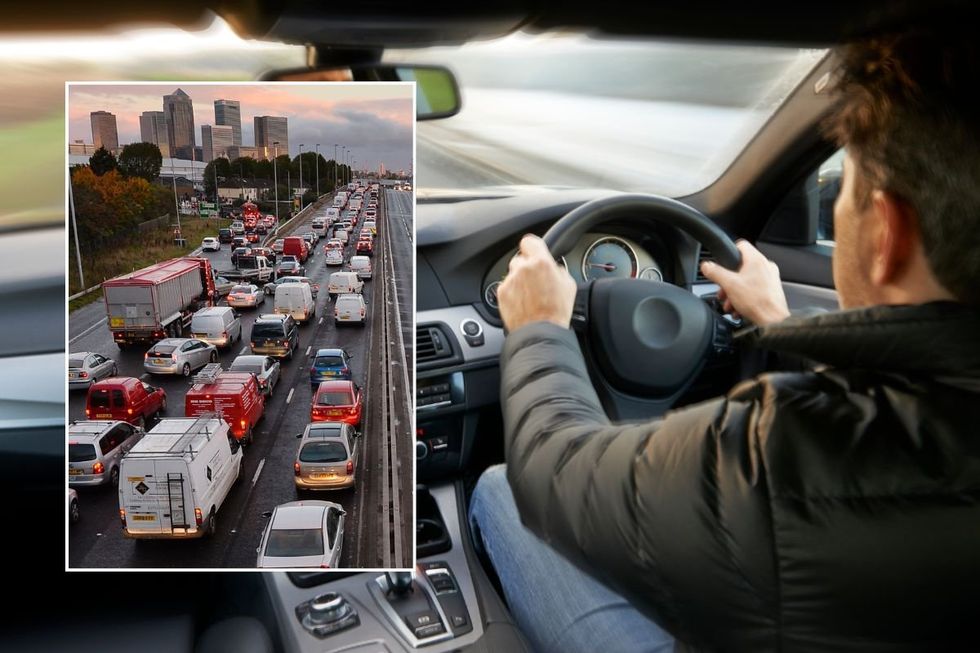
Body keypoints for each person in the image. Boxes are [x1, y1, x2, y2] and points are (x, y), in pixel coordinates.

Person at [468, 26, 980, 653]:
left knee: (499, 487)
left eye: (842, 192)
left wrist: (541, 328)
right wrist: (781, 327)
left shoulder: (779, 455)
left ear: (887, 237)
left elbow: (552, 469)